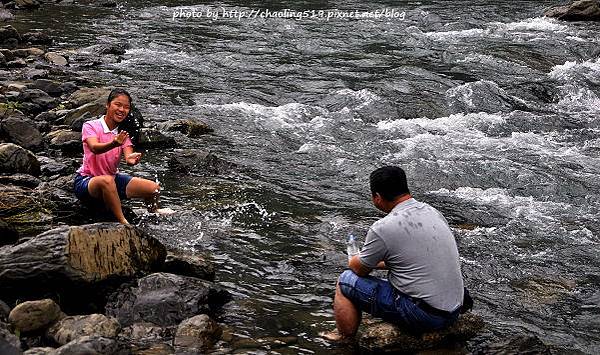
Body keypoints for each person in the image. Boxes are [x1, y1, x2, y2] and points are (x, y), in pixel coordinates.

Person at [325, 166, 470, 340]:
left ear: (377, 197)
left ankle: (343, 340)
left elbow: (359, 270)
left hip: (425, 316)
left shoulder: (383, 227)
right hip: (453, 310)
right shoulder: (432, 212)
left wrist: (357, 259)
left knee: (345, 281)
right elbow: (412, 259)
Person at [73, 88, 160, 224]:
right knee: (106, 181)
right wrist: (114, 143)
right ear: (108, 105)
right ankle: (123, 222)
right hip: (88, 182)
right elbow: (94, 148)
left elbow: (128, 156)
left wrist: (132, 160)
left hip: (113, 181)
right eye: (118, 105)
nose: (122, 110)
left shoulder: (123, 134)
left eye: (126, 107)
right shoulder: (91, 126)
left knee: (153, 188)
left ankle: (154, 212)